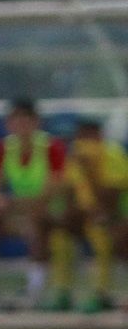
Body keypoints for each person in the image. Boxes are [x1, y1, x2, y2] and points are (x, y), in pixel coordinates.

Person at [0, 99, 70, 309]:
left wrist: (16, 205)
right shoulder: (3, 148)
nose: (21, 126)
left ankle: (35, 290)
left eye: (26, 120)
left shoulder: (52, 147)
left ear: (37, 122)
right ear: (8, 124)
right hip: (19, 213)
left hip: (51, 212)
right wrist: (3, 204)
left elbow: (54, 188)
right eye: (16, 121)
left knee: (36, 220)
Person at [62, 119, 124, 311]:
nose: (85, 143)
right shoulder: (75, 159)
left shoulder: (113, 155)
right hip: (90, 215)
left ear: (99, 137)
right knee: (61, 234)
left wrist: (89, 170)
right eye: (81, 137)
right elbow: (71, 194)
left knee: (102, 235)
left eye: (90, 136)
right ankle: (62, 292)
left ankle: (100, 293)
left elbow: (111, 200)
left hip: (118, 216)